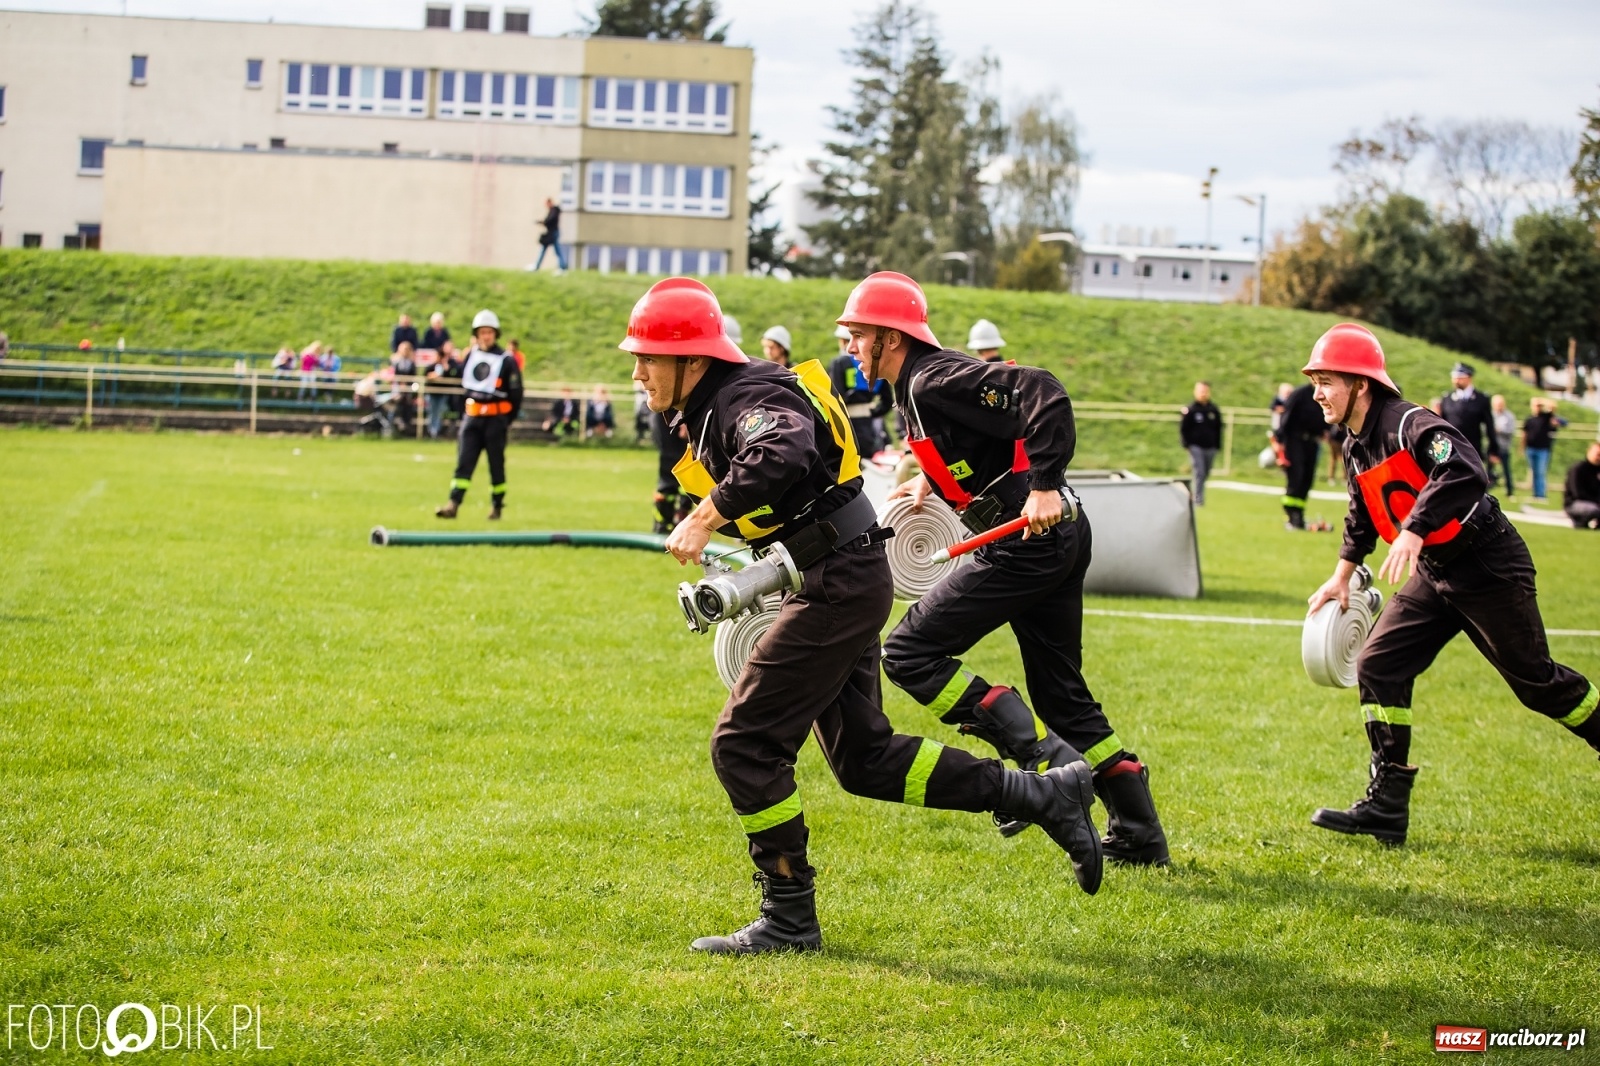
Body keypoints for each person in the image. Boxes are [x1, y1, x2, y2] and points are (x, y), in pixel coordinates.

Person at [626, 276, 1103, 955]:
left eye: (648, 356)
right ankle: (1040, 796)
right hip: (832, 578)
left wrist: (706, 517)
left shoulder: (744, 397)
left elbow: (781, 447)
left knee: (743, 744)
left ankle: (790, 919)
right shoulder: (712, 405)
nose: (639, 371)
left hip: (837, 583)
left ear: (693, 359)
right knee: (864, 760)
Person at [842, 271, 1168, 866]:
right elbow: (983, 452)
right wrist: (930, 484)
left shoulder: (935, 378)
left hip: (1028, 539)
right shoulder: (912, 388)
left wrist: (1043, 485)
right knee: (1062, 694)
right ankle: (1139, 831)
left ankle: (1045, 764)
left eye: (856, 335)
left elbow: (1042, 391)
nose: (849, 348)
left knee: (908, 652)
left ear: (889, 338)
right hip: (1052, 537)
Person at [1301, 323, 1597, 846]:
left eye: (1326, 381)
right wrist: (1342, 574)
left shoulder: (1409, 423)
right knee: (1378, 664)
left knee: (1537, 684)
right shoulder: (1354, 443)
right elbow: (1361, 511)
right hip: (1434, 573)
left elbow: (1465, 469)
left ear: (1361, 384)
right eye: (1315, 382)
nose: (1317, 393)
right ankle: (1386, 807)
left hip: (1486, 563)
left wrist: (1413, 529)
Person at [437, 310, 521, 520]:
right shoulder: (470, 356)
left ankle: (497, 507)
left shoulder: (506, 361)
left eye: (489, 332)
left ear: (495, 334)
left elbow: (517, 393)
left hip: (495, 420)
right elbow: (462, 386)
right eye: (482, 332)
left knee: (496, 465)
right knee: (464, 461)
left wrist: (505, 419)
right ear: (477, 334)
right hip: (472, 419)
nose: (486, 336)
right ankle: (453, 503)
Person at [1274, 380, 1325, 530]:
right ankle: (1291, 515)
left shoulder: (1323, 394)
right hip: (1295, 441)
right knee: (1296, 477)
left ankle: (1299, 515)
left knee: (1307, 480)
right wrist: (1280, 441)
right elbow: (1286, 418)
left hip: (1312, 442)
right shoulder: (1300, 394)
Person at [829, 324, 881, 457]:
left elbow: (835, 396)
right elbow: (887, 400)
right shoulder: (875, 362)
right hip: (870, 424)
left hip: (848, 424)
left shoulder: (839, 363)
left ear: (843, 341)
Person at [1438, 362, 1499, 468]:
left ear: (1469, 378)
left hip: (1473, 448)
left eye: (1460, 377)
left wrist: (1493, 449)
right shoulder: (1447, 399)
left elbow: (1489, 425)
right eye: (1454, 377)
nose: (1456, 380)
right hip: (1451, 449)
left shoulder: (1481, 399)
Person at [1179, 380, 1222, 505]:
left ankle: (1194, 493)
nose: (1203, 394)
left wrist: (1217, 445)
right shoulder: (1191, 409)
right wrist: (1186, 444)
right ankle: (1198, 499)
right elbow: (1183, 428)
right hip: (1195, 446)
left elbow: (1218, 428)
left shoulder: (1213, 410)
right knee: (1199, 471)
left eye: (1205, 391)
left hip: (1210, 446)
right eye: (1200, 391)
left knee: (1206, 472)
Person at [1522, 398, 1565, 502]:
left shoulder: (1546, 417)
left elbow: (1554, 406)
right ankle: (1535, 494)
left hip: (1542, 449)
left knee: (1541, 472)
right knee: (1534, 472)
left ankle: (1541, 494)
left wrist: (1542, 401)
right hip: (1531, 448)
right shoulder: (1529, 419)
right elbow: (1525, 434)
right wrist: (1522, 447)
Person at [426, 342, 463, 439]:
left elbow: (454, 374)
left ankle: (436, 431)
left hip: (442, 393)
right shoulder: (432, 366)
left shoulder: (449, 364)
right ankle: (432, 431)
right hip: (432, 392)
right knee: (432, 411)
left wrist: (446, 368)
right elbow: (426, 374)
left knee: (439, 412)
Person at [1564, 441, 1600, 529]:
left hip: (1594, 502)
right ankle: (1579, 523)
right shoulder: (1578, 469)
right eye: (1597, 454)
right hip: (1575, 503)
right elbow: (1577, 493)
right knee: (1594, 510)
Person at [1490, 394, 1516, 498]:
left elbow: (1511, 430)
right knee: (1488, 470)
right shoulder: (1490, 415)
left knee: (1506, 470)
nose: (1499, 406)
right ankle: (1487, 489)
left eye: (1500, 404)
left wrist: (1500, 430)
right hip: (1492, 447)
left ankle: (1510, 491)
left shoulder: (1509, 416)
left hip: (1504, 446)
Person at [532, 197, 567, 272]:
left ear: (550, 203)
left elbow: (550, 220)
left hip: (553, 233)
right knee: (546, 249)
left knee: (556, 250)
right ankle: (562, 266)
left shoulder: (554, 210)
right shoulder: (553, 210)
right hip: (551, 233)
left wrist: (543, 222)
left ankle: (562, 267)